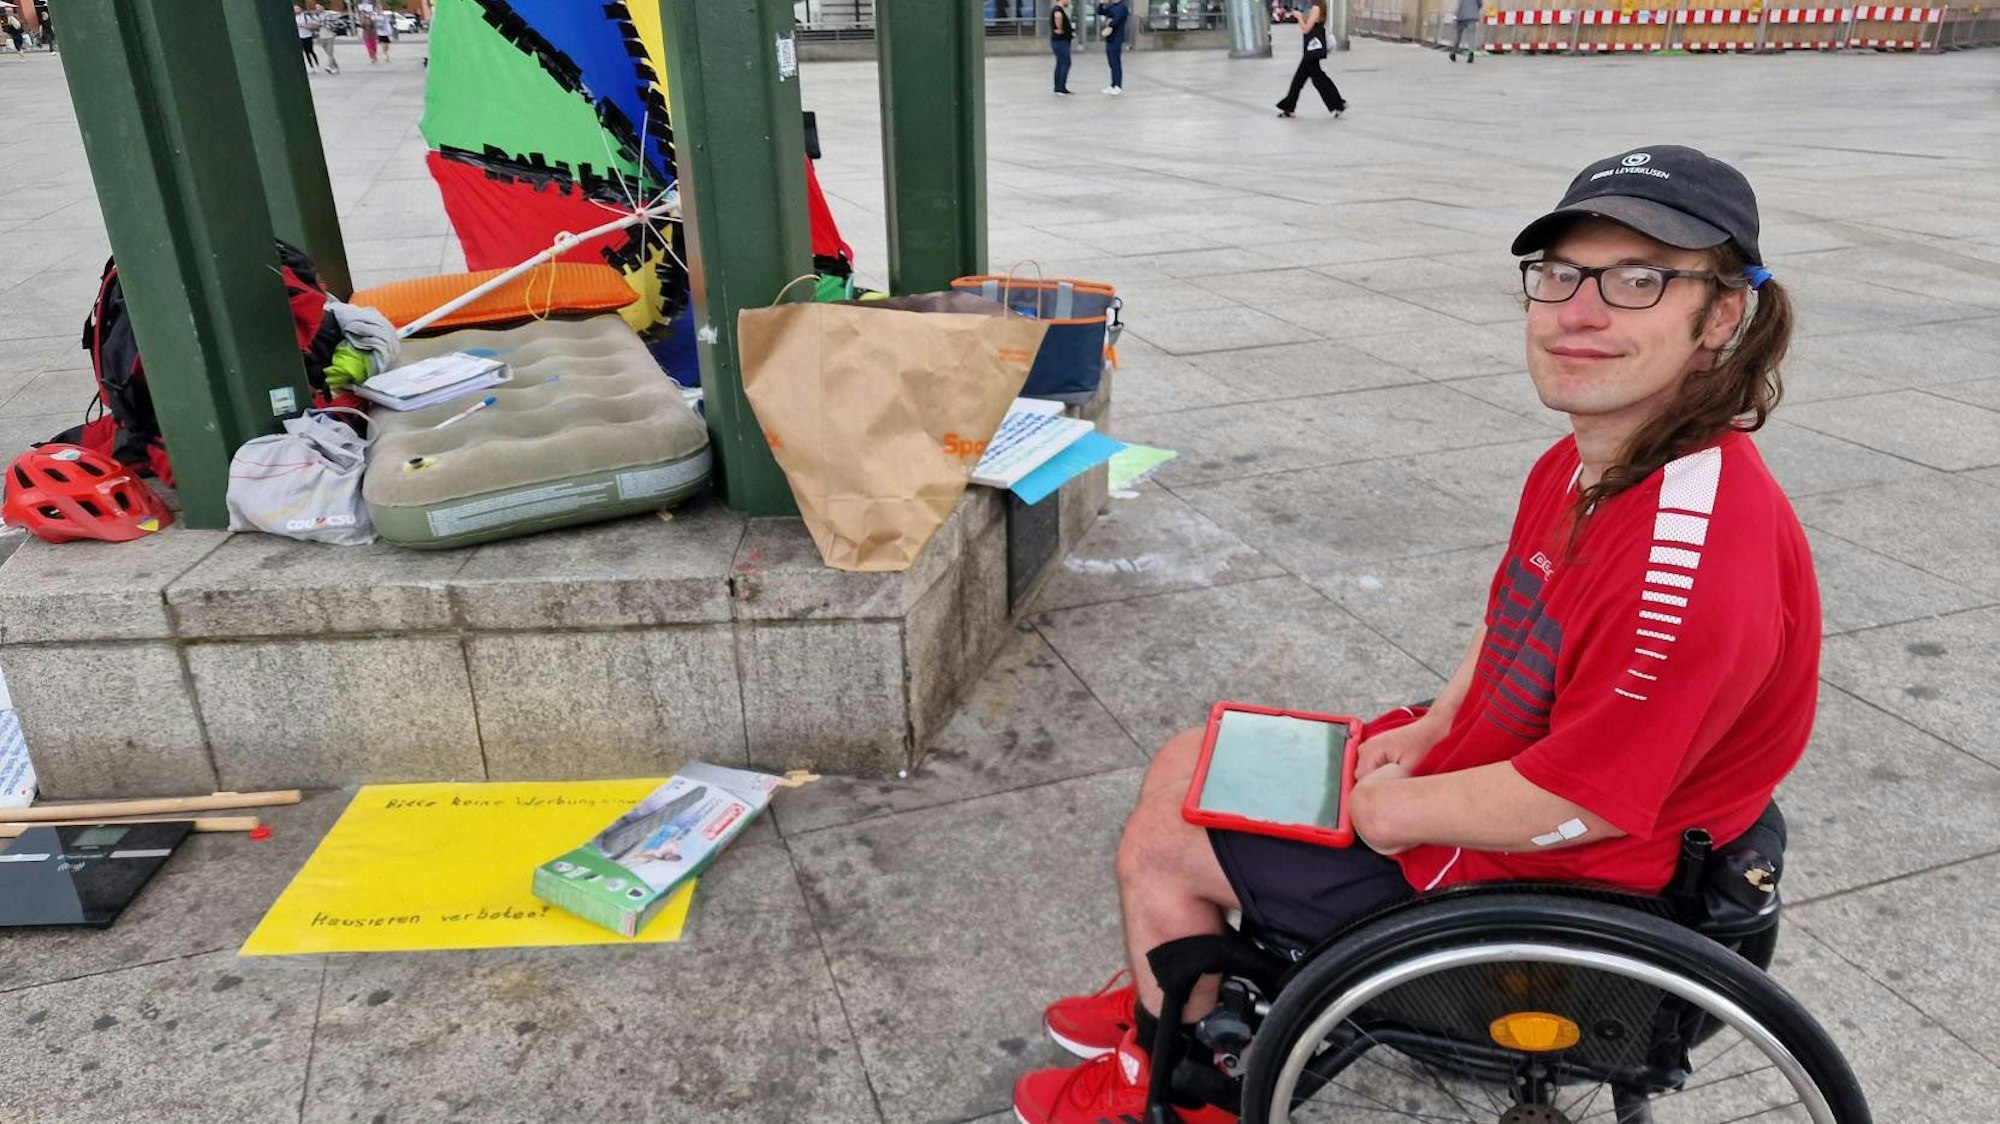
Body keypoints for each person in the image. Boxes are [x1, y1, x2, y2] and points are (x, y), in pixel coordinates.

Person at [1010, 144, 1816, 1124]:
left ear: (1720, 314)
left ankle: (1184, 1072)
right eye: (1559, 274)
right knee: (1194, 757)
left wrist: (1396, 811)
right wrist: (1435, 724)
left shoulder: (1682, 559)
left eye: (1638, 279)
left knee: (1164, 842)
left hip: (1565, 878)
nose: (1578, 309)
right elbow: (1514, 611)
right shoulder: (1599, 458)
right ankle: (1173, 979)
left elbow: (1579, 801)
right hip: (1503, 777)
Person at [1275, 0, 1344, 118]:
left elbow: (1306, 29)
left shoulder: (1316, 9)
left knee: (1316, 79)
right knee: (1303, 79)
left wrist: (1300, 17)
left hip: (1312, 49)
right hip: (1312, 50)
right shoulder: (1317, 8)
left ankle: (1338, 103)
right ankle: (1289, 106)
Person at [1096, 0, 1129, 96]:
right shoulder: (1112, 7)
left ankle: (1118, 86)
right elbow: (1100, 12)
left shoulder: (1122, 8)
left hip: (1117, 38)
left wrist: (1110, 24)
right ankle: (1113, 84)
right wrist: (1101, 4)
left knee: (1115, 62)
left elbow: (1117, 19)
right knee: (1111, 62)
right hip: (1110, 38)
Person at [1050, 0, 1075, 96]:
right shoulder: (1058, 9)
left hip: (1060, 41)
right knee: (1066, 62)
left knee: (1060, 63)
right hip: (1060, 41)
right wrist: (1059, 28)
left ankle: (1058, 87)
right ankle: (1061, 87)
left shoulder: (1061, 9)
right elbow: (1058, 16)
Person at [313, 2, 340, 74]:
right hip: (322, 36)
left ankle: (329, 66)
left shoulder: (329, 13)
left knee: (330, 52)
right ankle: (335, 66)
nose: (317, 9)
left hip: (330, 35)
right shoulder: (317, 16)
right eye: (316, 8)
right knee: (328, 53)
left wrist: (321, 23)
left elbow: (336, 21)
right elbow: (317, 25)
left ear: (323, 7)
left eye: (319, 7)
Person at [293, 5, 320, 72]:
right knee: (306, 52)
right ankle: (311, 66)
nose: (296, 10)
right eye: (295, 9)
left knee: (311, 50)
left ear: (301, 9)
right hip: (300, 36)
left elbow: (312, 26)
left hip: (308, 35)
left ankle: (317, 64)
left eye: (297, 9)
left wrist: (304, 26)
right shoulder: (295, 18)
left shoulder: (305, 17)